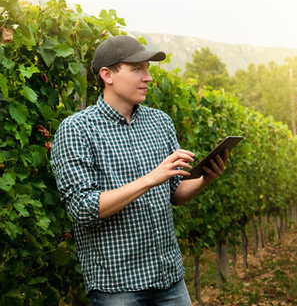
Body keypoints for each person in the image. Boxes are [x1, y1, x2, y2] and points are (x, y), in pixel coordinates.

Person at [50, 35, 228, 305]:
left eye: (148, 68)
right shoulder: (77, 129)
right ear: (107, 75)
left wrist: (205, 179)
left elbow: (175, 194)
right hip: (118, 286)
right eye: (137, 69)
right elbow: (84, 208)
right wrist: (150, 179)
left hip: (169, 278)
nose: (148, 77)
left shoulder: (160, 122)